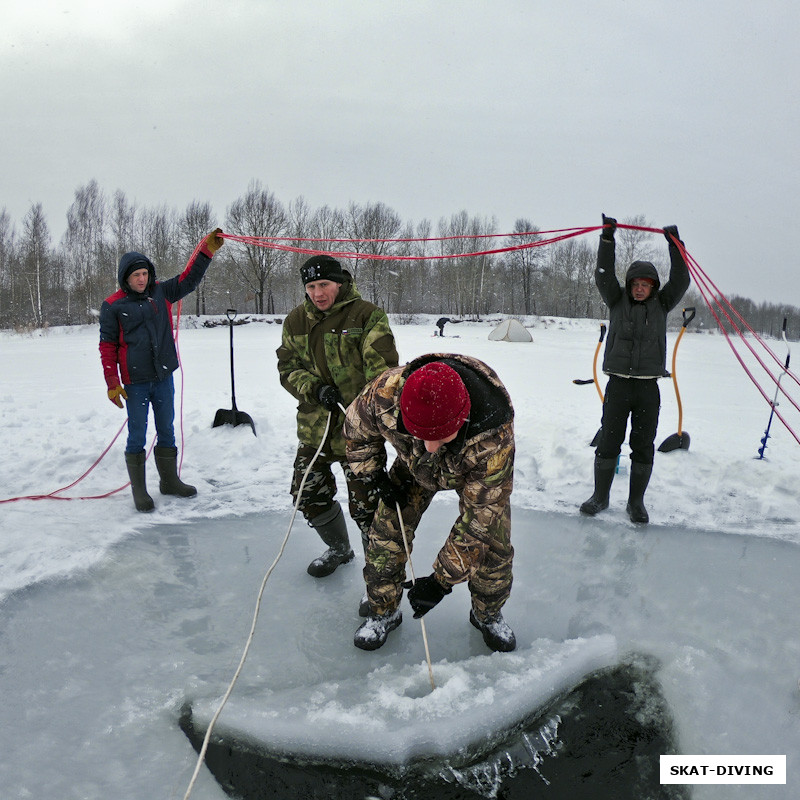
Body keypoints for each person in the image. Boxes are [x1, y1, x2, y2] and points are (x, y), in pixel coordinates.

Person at [344, 354, 516, 653]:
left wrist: (440, 581)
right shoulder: (384, 394)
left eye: (440, 436)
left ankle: (487, 614)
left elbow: (479, 521)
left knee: (494, 548)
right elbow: (356, 432)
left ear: (463, 417)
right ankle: (383, 610)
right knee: (385, 536)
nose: (431, 447)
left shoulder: (493, 434)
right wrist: (374, 476)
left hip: (471, 472)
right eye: (421, 434)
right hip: (413, 468)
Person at [276, 254, 399, 581]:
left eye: (324, 284)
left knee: (367, 510)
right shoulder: (295, 321)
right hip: (315, 430)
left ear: (340, 283)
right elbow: (287, 369)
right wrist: (314, 389)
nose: (318, 293)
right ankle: (339, 549)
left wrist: (368, 413)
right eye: (312, 286)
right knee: (306, 495)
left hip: (357, 432)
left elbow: (384, 377)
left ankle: (377, 580)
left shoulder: (367, 316)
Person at [99, 229, 224, 512]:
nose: (142, 279)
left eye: (144, 273)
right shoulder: (113, 305)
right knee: (137, 434)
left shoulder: (161, 291)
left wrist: (206, 251)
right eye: (136, 276)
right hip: (135, 382)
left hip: (163, 377)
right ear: (125, 279)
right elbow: (107, 346)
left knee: (167, 429)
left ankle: (169, 482)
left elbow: (189, 280)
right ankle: (140, 491)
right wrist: (112, 382)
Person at [580, 214, 690, 524]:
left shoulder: (662, 304)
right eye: (636, 284)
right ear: (629, 285)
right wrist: (607, 238)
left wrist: (676, 246)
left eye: (646, 285)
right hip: (618, 386)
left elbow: (681, 280)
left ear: (653, 288)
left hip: (647, 389)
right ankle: (600, 497)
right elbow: (603, 275)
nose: (640, 289)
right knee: (609, 441)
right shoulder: (616, 301)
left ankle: (635, 503)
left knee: (643, 444)